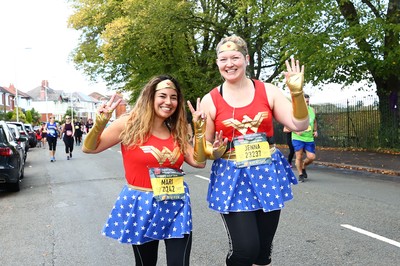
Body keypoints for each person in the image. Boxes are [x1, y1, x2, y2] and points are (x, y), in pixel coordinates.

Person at [190, 35, 309, 266]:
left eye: (235, 57)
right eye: (223, 59)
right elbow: (204, 149)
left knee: (262, 253)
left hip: (267, 174)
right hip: (232, 177)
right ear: (217, 63)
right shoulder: (211, 100)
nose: (229, 63)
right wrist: (215, 150)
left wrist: (296, 93)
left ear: (246, 59)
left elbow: (299, 125)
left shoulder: (269, 91)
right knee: (245, 250)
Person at [82, 75, 223, 266]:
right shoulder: (128, 124)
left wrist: (199, 132)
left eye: (174, 97)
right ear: (150, 97)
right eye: (163, 96)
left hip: (176, 203)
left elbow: (198, 163)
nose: (168, 102)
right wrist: (99, 123)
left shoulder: (177, 129)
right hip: (142, 202)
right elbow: (90, 148)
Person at [292, 94, 318, 182]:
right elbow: (288, 123)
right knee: (299, 156)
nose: (307, 103)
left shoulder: (312, 110)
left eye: (308, 101)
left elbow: (314, 121)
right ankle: (300, 174)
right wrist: (296, 131)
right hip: (297, 137)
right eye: (305, 102)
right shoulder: (295, 111)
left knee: (311, 157)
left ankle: (303, 165)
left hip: (309, 138)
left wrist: (315, 130)